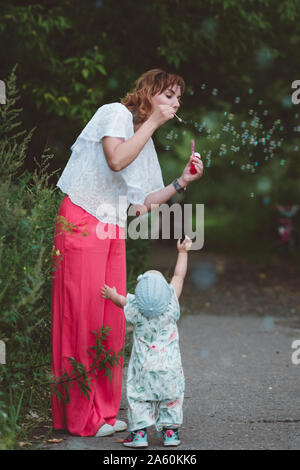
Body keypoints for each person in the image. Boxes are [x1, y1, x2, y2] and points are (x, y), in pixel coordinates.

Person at [51, 69, 203, 438]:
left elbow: (142, 204)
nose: (176, 104)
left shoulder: (144, 140)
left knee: (112, 319)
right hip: (82, 219)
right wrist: (152, 121)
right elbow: (116, 160)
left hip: (112, 227)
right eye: (169, 95)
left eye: (179, 98)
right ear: (149, 93)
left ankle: (103, 413)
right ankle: (78, 417)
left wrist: (181, 181)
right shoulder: (114, 114)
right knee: (82, 315)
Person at [101, 235, 192, 448]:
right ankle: (170, 433)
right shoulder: (171, 306)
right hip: (169, 369)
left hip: (143, 370)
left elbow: (119, 300)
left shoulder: (135, 309)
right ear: (166, 293)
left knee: (139, 398)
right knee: (171, 398)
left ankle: (140, 434)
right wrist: (183, 252)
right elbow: (179, 276)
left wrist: (111, 294)